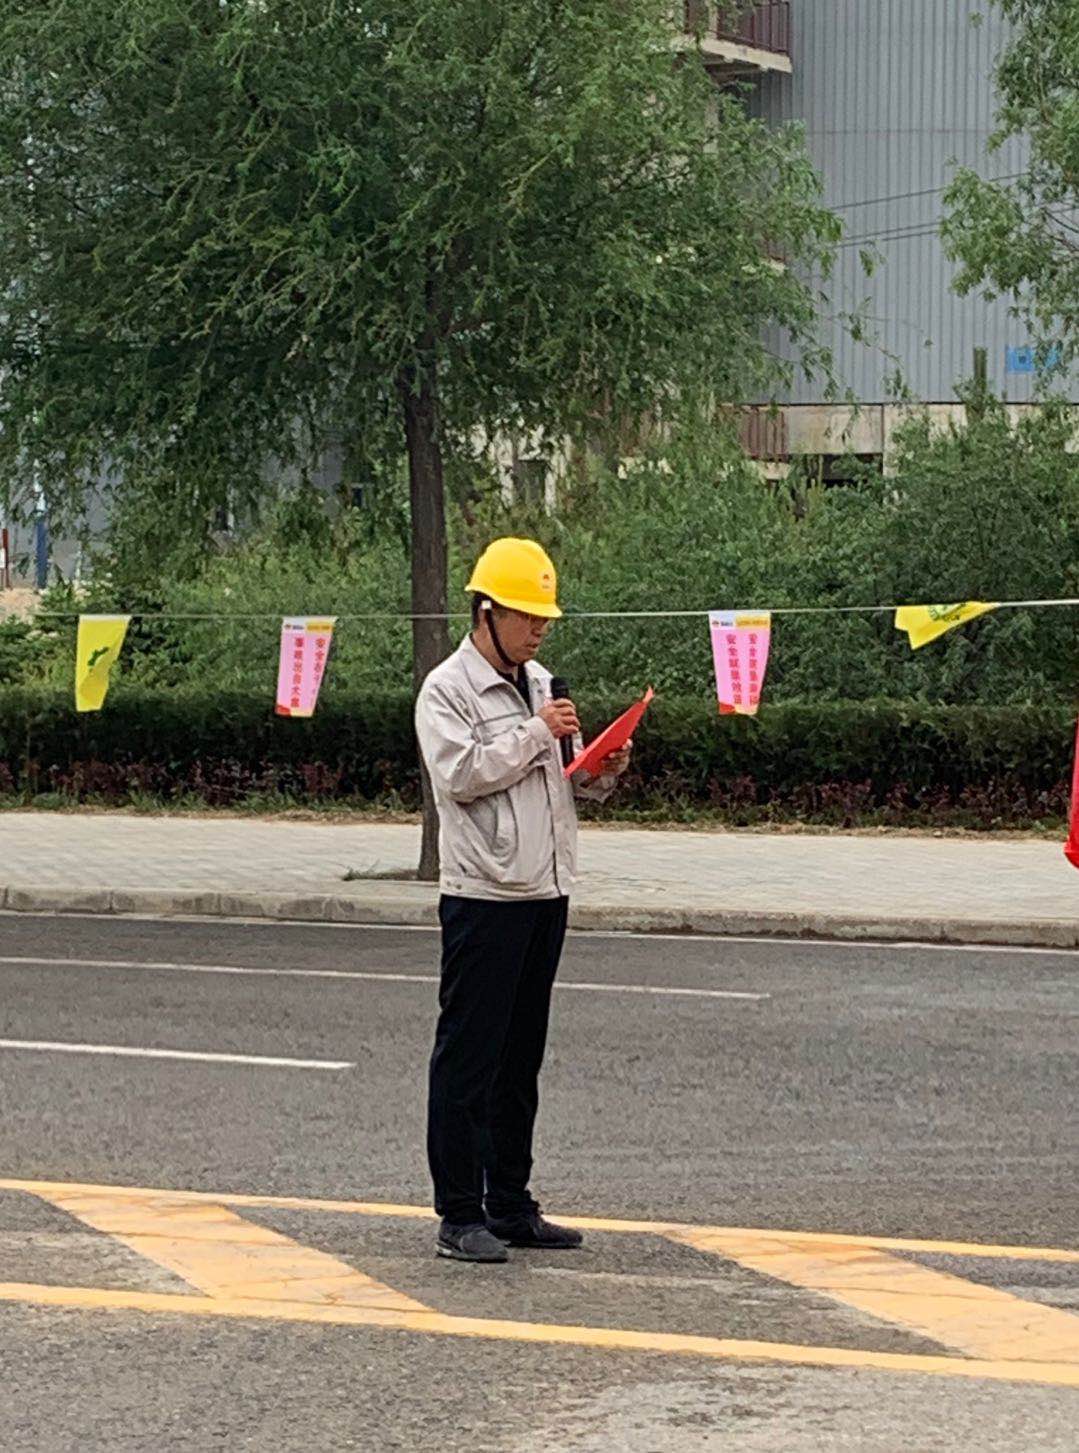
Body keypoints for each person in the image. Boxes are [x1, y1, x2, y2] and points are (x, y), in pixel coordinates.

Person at [415, 537, 632, 1263]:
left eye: (544, 618)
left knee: (519, 1060)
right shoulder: (447, 690)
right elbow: (461, 775)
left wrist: (600, 766)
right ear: (486, 612)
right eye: (526, 616)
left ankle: (510, 1202)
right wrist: (537, 732)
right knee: (469, 1059)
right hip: (484, 893)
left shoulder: (540, 683)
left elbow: (564, 779)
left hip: (545, 888)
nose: (538, 630)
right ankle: (459, 1213)